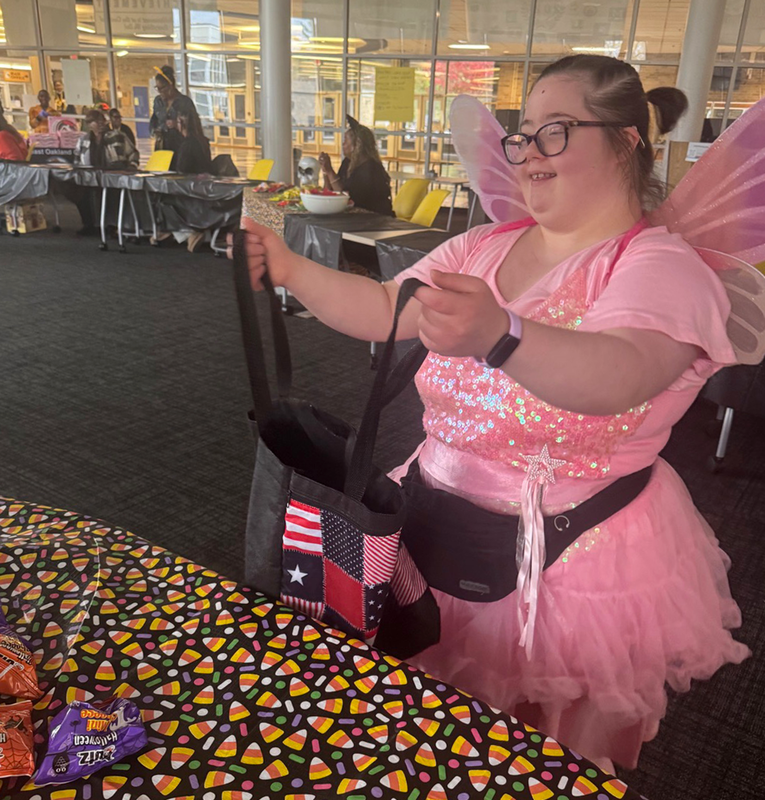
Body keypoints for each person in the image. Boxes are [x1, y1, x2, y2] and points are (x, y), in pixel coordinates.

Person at [231, 55, 750, 773]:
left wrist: (502, 337)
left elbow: (622, 371)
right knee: (419, 718)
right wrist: (289, 269)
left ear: (628, 139)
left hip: (569, 559)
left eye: (555, 132)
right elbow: (388, 308)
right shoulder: (483, 245)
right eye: (522, 134)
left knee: (529, 748)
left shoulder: (659, 267)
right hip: (426, 516)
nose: (527, 152)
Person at [319, 115, 393, 215]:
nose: (343, 144)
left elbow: (344, 199)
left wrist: (330, 171)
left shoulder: (369, 168)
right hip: (355, 216)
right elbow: (331, 192)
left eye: (345, 140)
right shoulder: (348, 162)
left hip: (374, 219)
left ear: (357, 145)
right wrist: (325, 171)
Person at [149, 65, 196, 153]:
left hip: (180, 147)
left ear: (170, 85)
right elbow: (154, 120)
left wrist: (177, 125)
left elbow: (194, 127)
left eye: (162, 88)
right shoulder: (158, 102)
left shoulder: (184, 102)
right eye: (157, 88)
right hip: (162, 147)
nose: (159, 91)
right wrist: (155, 131)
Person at [169, 106, 211, 174]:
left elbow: (182, 168)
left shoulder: (187, 144)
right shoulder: (202, 141)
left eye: (177, 122)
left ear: (182, 124)